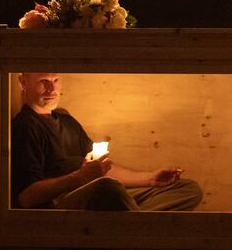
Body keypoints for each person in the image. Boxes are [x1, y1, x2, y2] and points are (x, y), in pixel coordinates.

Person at [11, 72, 202, 211]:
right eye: (43, 81)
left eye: (56, 80)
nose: (51, 89)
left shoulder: (67, 122)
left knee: (187, 188)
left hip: (98, 195)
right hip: (62, 205)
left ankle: (133, 227)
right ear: (23, 81)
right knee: (108, 187)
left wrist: (150, 178)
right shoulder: (26, 126)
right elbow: (27, 197)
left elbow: (102, 168)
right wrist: (78, 178)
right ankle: (141, 230)